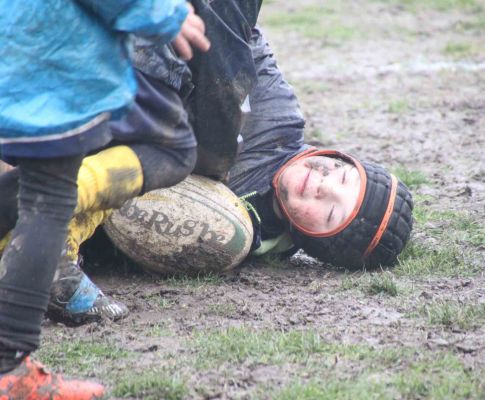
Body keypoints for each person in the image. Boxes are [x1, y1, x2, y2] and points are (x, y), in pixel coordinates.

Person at [0, 0, 413, 325]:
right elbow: (234, 34)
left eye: (332, 210)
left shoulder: (239, 238)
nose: (323, 183)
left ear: (314, 240)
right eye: (339, 171)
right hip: (122, 72)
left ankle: (42, 231)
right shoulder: (279, 121)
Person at [0, 1, 210, 398]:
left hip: (24, 42)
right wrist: (164, 14)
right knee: (47, 202)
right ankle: (9, 368)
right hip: (47, 56)